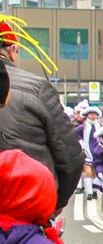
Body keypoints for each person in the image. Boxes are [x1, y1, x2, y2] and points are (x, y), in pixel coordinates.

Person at [0, 19, 83, 214]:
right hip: (28, 206)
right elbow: (71, 157)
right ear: (13, 50)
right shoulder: (37, 88)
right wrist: (52, 204)